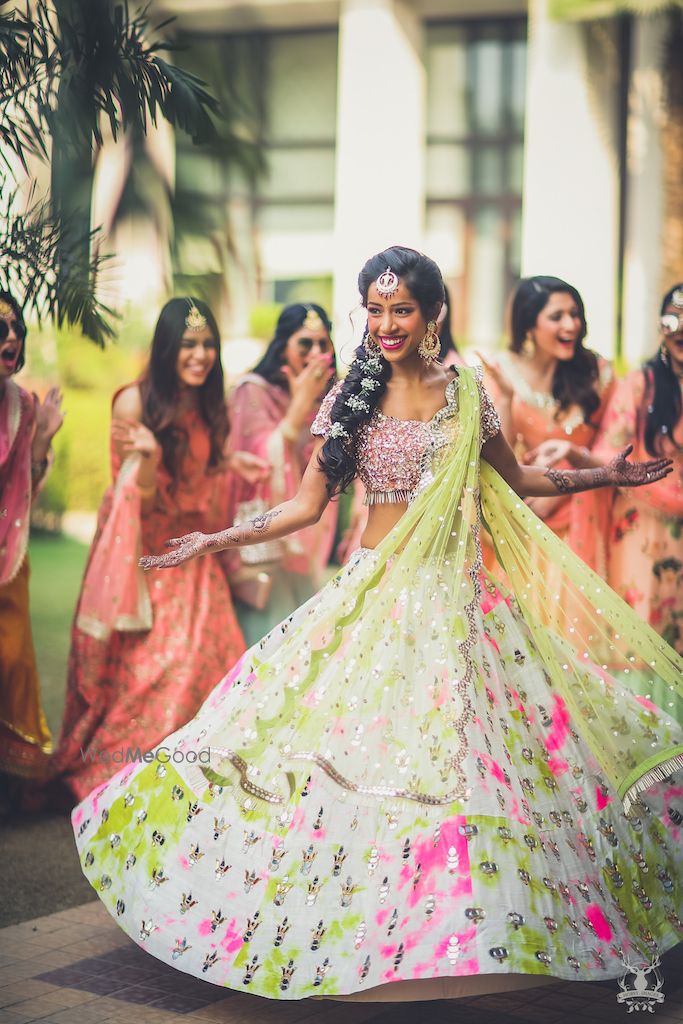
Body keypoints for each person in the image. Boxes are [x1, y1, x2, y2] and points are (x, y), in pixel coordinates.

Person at [72, 250, 682, 1002]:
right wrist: (216, 539)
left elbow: (517, 479)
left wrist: (604, 475)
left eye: (400, 310)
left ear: (432, 315)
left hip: (460, 606)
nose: (385, 323)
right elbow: (303, 507)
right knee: (353, 752)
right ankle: (359, 929)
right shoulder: (350, 395)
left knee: (477, 761)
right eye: (374, 308)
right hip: (376, 596)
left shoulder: (465, 391)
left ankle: (476, 931)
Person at [53, 298, 267, 800]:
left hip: (196, 559)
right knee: (154, 674)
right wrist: (147, 458)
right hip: (146, 559)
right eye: (189, 344)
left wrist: (231, 462)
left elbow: (200, 474)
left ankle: (192, 776)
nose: (201, 355)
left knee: (214, 667)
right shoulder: (134, 403)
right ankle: (133, 774)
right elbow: (135, 501)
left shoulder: (209, 405)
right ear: (167, 347)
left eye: (209, 344)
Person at [481, 276, 614, 576]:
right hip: (526, 514)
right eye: (557, 317)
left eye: (575, 314)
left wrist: (564, 485)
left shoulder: (598, 373)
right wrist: (507, 399)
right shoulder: (502, 371)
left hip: (584, 517)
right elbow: (497, 457)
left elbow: (612, 451)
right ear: (529, 324)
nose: (571, 325)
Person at [226, 303, 338, 645]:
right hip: (265, 540)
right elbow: (256, 462)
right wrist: (298, 407)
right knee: (268, 644)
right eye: (305, 344)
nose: (316, 354)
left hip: (306, 533)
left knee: (305, 642)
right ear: (283, 346)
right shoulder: (253, 391)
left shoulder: (330, 397)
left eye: (323, 344)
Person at [593, 284, 683, 654]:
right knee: (642, 628)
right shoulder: (640, 385)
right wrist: (661, 494)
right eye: (672, 319)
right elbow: (608, 452)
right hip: (642, 523)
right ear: (662, 329)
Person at [0, 291, 64, 786]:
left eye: (16, 326)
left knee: (12, 662)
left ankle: (14, 779)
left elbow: (24, 483)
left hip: (7, 552)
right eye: (2, 328)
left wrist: (42, 440)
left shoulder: (20, 404)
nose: (13, 336)